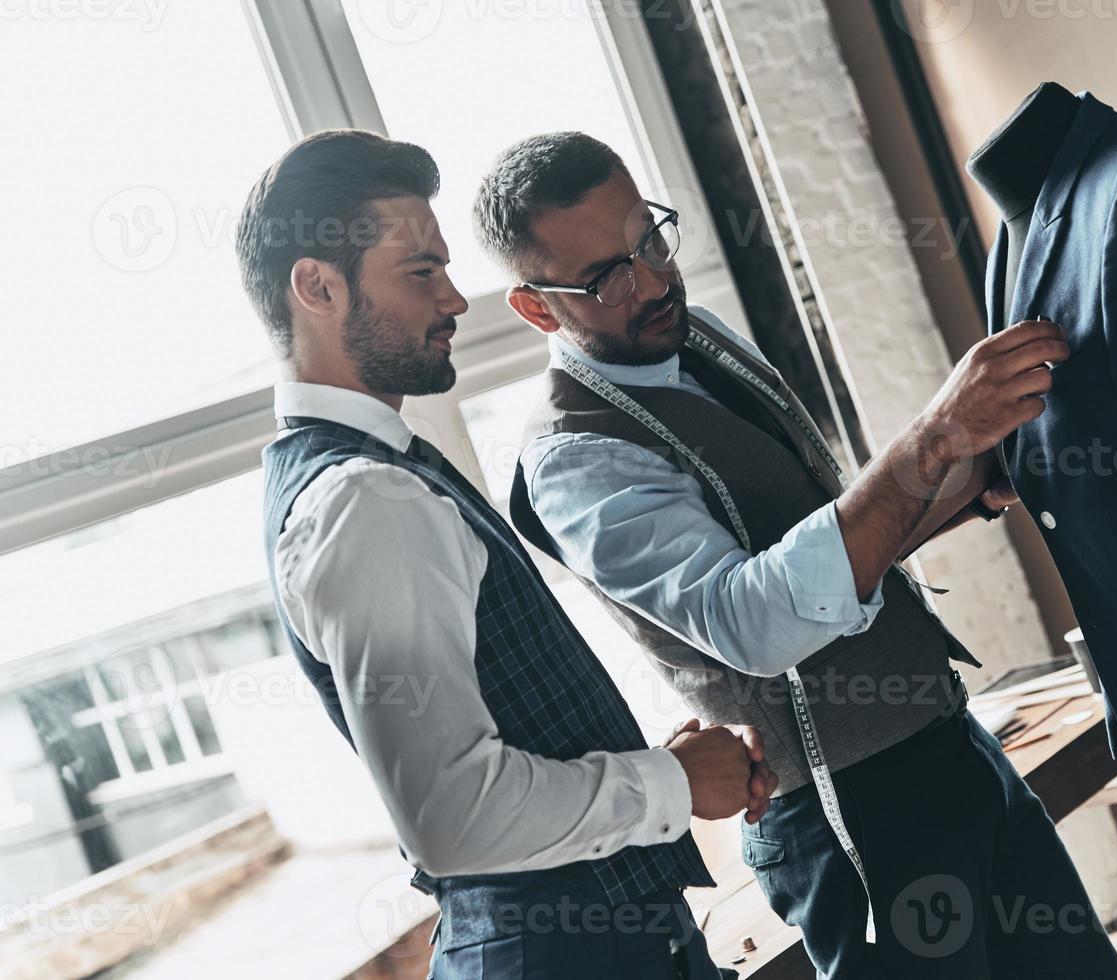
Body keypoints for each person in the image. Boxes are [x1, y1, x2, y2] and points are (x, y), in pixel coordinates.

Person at [477, 131, 1117, 977]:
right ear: (536, 307)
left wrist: (960, 481)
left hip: (945, 744)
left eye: (649, 238)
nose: (652, 281)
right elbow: (752, 622)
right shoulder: (575, 457)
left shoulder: (698, 338)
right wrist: (928, 443)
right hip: (848, 814)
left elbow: (822, 548)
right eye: (608, 276)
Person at [240, 129, 774, 979]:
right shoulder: (365, 500)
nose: (454, 300)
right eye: (421, 272)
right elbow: (453, 818)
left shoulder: (371, 475)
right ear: (316, 286)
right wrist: (668, 785)